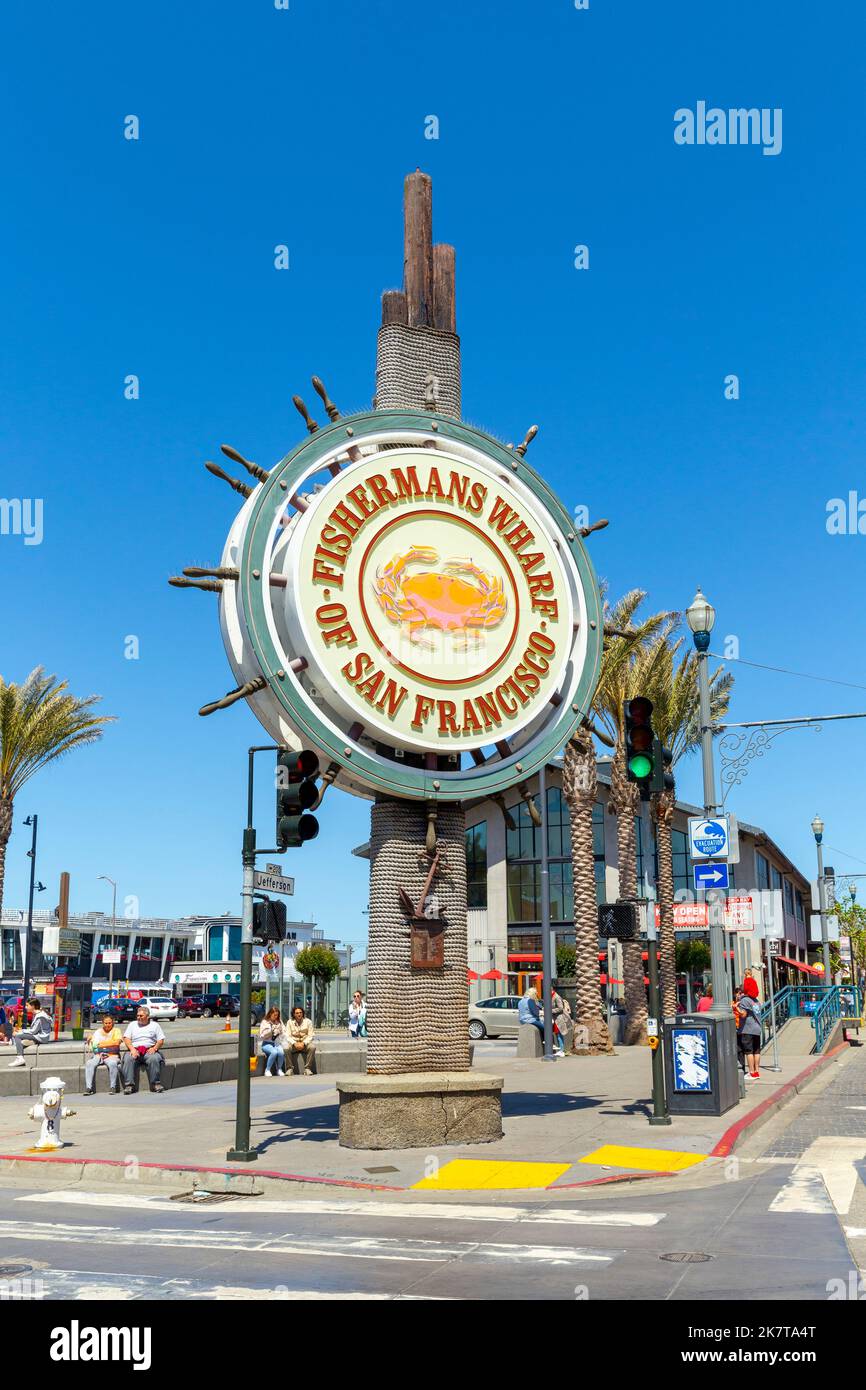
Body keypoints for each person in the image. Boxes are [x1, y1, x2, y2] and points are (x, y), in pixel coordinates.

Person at [121, 1005, 166, 1094]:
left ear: (147, 1016)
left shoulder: (155, 1025)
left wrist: (154, 1048)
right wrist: (132, 1049)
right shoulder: (132, 1024)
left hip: (149, 1050)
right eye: (137, 1015)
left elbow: (161, 1040)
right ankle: (129, 1085)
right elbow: (126, 1038)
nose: (138, 1017)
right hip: (135, 1049)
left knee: (154, 1059)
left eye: (141, 1016)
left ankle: (156, 1084)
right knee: (128, 1059)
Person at [83, 1013, 124, 1095]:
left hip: (112, 1055)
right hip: (98, 1055)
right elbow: (93, 1046)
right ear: (103, 1023)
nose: (108, 1025)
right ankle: (89, 1088)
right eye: (106, 1023)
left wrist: (100, 1044)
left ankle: (113, 1087)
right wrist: (90, 1039)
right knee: (89, 1063)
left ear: (113, 1022)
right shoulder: (98, 1031)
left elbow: (116, 1043)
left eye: (109, 1023)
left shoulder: (116, 1031)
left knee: (112, 1063)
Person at [7, 997, 52, 1068]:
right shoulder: (39, 1014)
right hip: (40, 1036)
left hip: (41, 1037)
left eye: (27, 1005)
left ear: (33, 1006)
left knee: (18, 1036)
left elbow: (33, 1031)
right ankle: (17, 1044)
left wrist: (21, 1031)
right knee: (21, 1042)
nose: (25, 1007)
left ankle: (20, 1058)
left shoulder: (40, 1016)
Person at [736, 986, 762, 1079]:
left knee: (749, 1051)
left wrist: (736, 1007)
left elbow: (743, 1014)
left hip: (748, 1028)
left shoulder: (745, 1000)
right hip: (757, 1028)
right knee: (756, 1051)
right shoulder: (755, 1000)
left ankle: (751, 1072)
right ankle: (756, 1072)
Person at [287, 1005, 316, 1074]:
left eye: (300, 1012)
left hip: (305, 1044)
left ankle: (307, 1068)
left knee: (312, 1047)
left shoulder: (308, 1022)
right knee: (286, 1048)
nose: (299, 1014)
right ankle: (289, 1069)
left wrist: (304, 1043)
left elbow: (311, 1035)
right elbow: (287, 1036)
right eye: (297, 1013)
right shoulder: (289, 1022)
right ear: (294, 1014)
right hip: (294, 1044)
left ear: (303, 1013)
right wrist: (294, 1043)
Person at [259, 1007, 287, 1076]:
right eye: (274, 1015)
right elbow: (262, 1036)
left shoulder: (279, 1022)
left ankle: (279, 1069)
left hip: (276, 1043)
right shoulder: (265, 1022)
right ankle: (267, 1070)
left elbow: (284, 1032)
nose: (276, 1017)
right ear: (270, 1014)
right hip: (266, 1043)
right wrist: (270, 1031)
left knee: (281, 1052)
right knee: (274, 1052)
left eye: (277, 1015)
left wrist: (279, 1032)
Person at [550, 987, 568, 1056]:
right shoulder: (552, 996)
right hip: (555, 1018)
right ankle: (561, 1049)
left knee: (559, 1034)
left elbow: (560, 1008)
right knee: (558, 1034)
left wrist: (551, 1010)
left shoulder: (556, 997)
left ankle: (561, 1050)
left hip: (559, 1018)